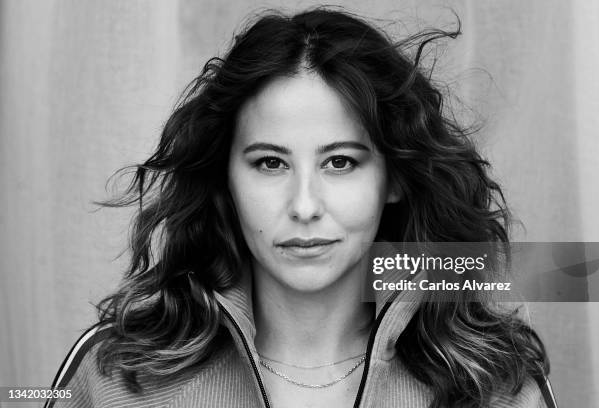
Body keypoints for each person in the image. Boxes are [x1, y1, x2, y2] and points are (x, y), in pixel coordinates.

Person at [45, 7, 557, 408]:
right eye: (270, 163)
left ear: (393, 179)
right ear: (226, 179)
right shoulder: (115, 375)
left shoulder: (491, 381)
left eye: (340, 162)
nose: (305, 205)